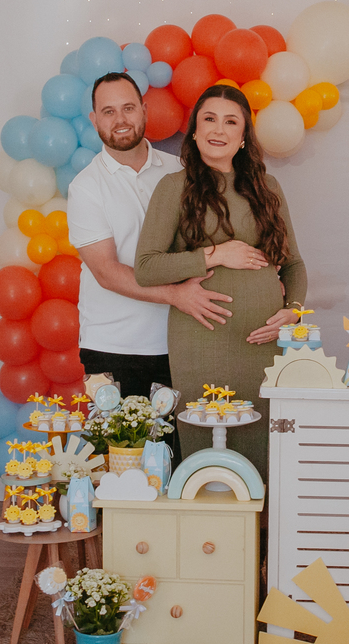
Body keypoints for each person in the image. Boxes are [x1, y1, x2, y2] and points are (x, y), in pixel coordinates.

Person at [134, 84, 306, 481]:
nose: (219, 129)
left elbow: (294, 265)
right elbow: (146, 267)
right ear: (194, 130)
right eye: (209, 118)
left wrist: (293, 312)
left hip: (264, 343)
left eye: (231, 122)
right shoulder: (173, 188)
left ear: (244, 137)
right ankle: (208, 540)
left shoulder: (269, 188)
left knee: (262, 441)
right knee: (206, 442)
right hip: (202, 338)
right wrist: (216, 253)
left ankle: (261, 537)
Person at [67, 72, 233, 402]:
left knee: (177, 452)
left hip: (180, 340)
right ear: (94, 119)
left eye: (128, 108)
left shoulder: (181, 171)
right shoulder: (86, 187)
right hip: (112, 347)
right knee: (117, 452)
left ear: (144, 110)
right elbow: (106, 272)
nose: (120, 120)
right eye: (108, 111)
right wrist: (177, 295)